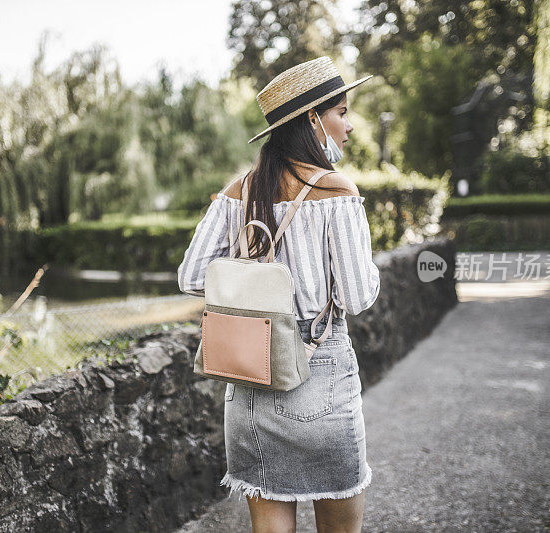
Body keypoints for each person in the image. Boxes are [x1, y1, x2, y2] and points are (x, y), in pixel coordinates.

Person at [177, 56, 381, 533]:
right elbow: (357, 295)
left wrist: (250, 275)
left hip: (249, 384)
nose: (349, 126)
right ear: (314, 118)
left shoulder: (238, 192)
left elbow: (191, 276)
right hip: (320, 374)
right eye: (342, 112)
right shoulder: (337, 192)